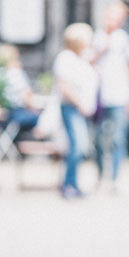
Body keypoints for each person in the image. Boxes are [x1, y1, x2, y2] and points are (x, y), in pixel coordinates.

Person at [92, 0, 129, 191]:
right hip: (98, 95)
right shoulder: (96, 37)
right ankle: (100, 174)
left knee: (118, 138)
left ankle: (114, 179)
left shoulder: (127, 40)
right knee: (97, 138)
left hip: (120, 95)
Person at [53, 23, 98, 199]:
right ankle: (68, 184)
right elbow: (64, 85)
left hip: (80, 110)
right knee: (77, 146)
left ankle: (73, 183)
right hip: (71, 108)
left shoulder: (79, 58)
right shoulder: (65, 58)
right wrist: (80, 103)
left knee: (79, 146)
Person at [0, 44, 41, 135]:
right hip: (16, 115)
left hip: (3, 117)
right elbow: (26, 97)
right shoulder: (16, 74)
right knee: (44, 118)